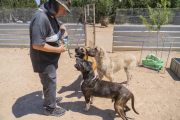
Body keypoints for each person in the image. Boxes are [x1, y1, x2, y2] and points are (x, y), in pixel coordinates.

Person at [29, 0, 71, 117]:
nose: (64, 13)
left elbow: (59, 22)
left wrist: (63, 30)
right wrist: (58, 50)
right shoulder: (40, 19)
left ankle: (50, 98)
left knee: (50, 82)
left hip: (49, 58)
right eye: (63, 10)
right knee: (49, 81)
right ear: (56, 5)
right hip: (43, 60)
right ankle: (50, 108)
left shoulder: (50, 14)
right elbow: (37, 45)